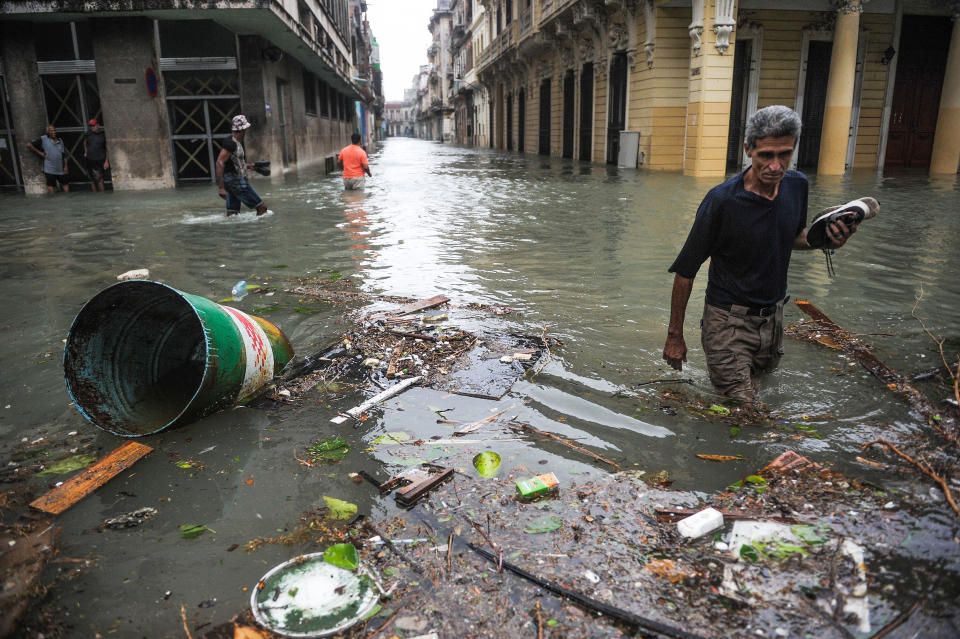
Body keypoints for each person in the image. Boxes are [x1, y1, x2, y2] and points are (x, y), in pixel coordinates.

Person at [662, 105, 860, 405]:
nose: (776, 166)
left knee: (757, 393)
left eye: (785, 154)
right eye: (766, 155)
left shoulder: (797, 186)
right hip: (727, 322)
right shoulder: (722, 202)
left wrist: (828, 241)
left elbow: (793, 237)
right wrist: (675, 336)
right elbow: (686, 270)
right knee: (746, 410)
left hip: (773, 320)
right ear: (748, 149)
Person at [216, 114, 268, 216]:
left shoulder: (237, 142)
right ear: (242, 129)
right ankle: (260, 232)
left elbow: (234, 163)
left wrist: (252, 166)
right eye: (245, 128)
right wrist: (221, 187)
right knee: (262, 208)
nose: (246, 131)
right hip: (235, 181)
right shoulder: (231, 143)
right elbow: (220, 162)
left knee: (232, 214)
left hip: (232, 181)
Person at [27, 125, 69, 193]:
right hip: (49, 168)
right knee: (50, 184)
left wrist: (66, 166)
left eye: (54, 130)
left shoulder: (60, 140)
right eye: (51, 131)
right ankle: (53, 199)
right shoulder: (43, 138)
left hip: (60, 168)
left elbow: (64, 155)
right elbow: (29, 145)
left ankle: (68, 198)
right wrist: (40, 153)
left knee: (65, 183)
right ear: (47, 132)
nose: (54, 132)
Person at [83, 118, 110, 192]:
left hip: (99, 159)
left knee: (100, 180)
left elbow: (107, 148)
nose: (92, 127)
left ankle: (102, 195)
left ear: (97, 125)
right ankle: (95, 195)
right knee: (92, 180)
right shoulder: (88, 133)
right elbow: (85, 142)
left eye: (93, 125)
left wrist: (106, 161)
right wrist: (86, 152)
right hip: (89, 159)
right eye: (90, 126)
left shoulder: (103, 135)